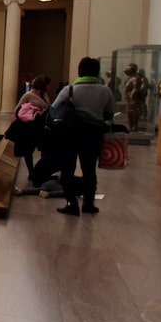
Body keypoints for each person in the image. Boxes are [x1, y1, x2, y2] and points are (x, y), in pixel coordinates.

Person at [50, 56, 116, 216]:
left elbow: (53, 110)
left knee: (67, 169)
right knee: (89, 170)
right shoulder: (105, 91)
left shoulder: (69, 90)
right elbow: (109, 113)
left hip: (70, 134)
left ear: (80, 71)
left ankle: (71, 203)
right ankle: (88, 203)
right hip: (93, 135)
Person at [9, 75, 51, 180]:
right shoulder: (28, 95)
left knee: (41, 149)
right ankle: (31, 172)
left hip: (39, 126)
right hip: (29, 127)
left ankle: (40, 172)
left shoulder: (44, 95)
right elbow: (17, 108)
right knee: (29, 150)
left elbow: (48, 108)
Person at [122, 63, 150, 132]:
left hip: (133, 98)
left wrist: (132, 97)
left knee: (133, 112)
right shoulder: (130, 78)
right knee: (130, 112)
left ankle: (134, 126)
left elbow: (135, 88)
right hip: (129, 98)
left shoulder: (136, 78)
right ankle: (131, 127)